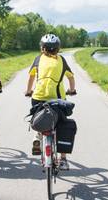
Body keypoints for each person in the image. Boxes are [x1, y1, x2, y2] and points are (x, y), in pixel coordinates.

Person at [24, 34, 76, 170]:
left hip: (38, 98)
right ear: (58, 49)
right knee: (62, 125)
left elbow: (31, 78)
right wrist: (72, 89)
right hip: (57, 99)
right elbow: (71, 78)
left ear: (42, 48)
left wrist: (28, 91)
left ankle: (37, 135)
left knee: (38, 116)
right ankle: (63, 159)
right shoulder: (62, 60)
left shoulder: (38, 59)